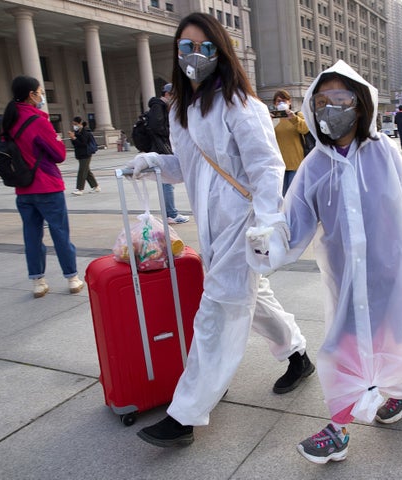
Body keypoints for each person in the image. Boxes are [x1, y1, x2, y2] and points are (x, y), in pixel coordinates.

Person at [127, 12, 313, 448]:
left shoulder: (239, 104)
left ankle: (185, 413)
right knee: (251, 296)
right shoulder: (181, 110)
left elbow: (266, 167)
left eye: (204, 47)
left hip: (242, 223)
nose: (195, 56)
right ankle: (298, 355)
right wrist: (154, 163)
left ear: (220, 52)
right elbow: (190, 169)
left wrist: (268, 224)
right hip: (212, 227)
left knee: (220, 309)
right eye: (186, 47)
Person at [247, 60, 402, 465]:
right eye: (321, 101)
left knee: (394, 336)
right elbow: (293, 222)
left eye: (341, 99)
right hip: (347, 278)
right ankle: (339, 429)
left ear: (360, 103)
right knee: (343, 346)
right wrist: (266, 245)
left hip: (392, 269)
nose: (331, 108)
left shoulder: (383, 151)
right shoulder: (315, 165)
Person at [3, 75, 84, 298]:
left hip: (23, 189)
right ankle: (72, 278)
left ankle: (38, 281)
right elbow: (59, 155)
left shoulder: (9, 121)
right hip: (47, 186)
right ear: (31, 94)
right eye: (40, 92)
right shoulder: (38, 120)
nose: (41, 96)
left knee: (31, 235)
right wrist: (56, 140)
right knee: (60, 232)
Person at [146, 83, 189, 224]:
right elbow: (156, 126)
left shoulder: (161, 106)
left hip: (162, 146)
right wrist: (169, 132)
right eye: (174, 95)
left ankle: (170, 213)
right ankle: (171, 213)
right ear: (167, 94)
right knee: (167, 182)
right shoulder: (158, 106)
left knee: (167, 182)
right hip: (161, 147)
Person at [271, 89, 310, 194]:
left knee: (294, 196)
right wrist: (268, 120)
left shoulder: (297, 115)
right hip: (278, 165)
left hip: (295, 163)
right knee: (282, 197)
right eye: (278, 101)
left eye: (284, 100)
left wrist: (292, 118)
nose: (281, 103)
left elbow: (305, 129)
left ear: (289, 102)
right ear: (274, 103)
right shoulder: (272, 119)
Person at [68, 117, 100, 195]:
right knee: (87, 171)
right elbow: (76, 144)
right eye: (73, 124)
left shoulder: (85, 132)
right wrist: (72, 138)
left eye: (75, 124)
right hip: (80, 154)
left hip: (86, 154)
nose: (74, 126)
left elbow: (83, 144)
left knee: (82, 171)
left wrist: (74, 138)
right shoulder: (77, 132)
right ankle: (95, 186)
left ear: (80, 124)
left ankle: (79, 189)